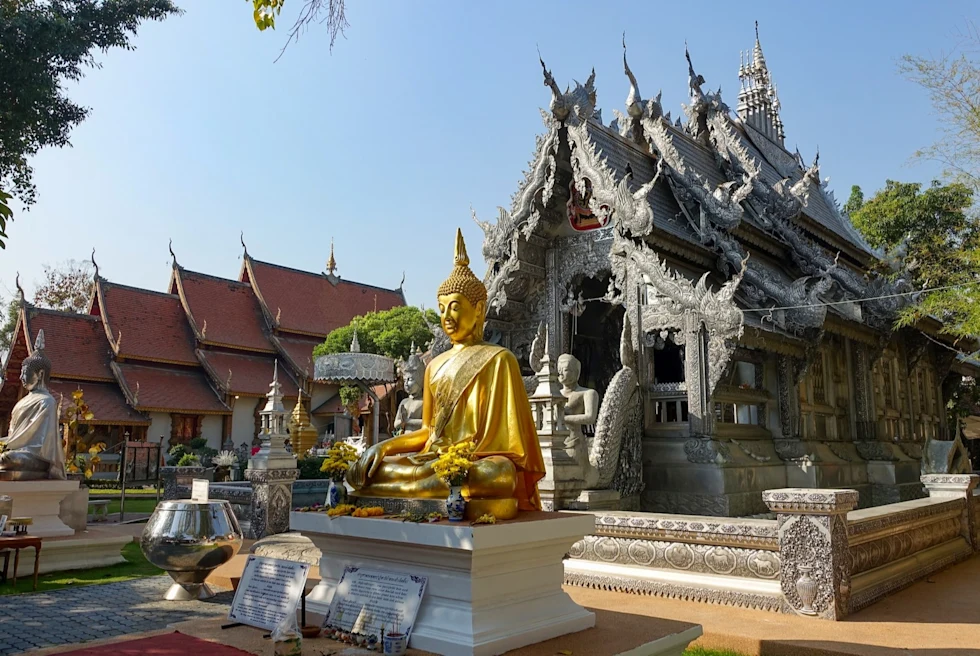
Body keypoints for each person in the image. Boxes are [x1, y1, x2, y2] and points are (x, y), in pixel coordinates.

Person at [346, 229, 546, 519]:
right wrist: (383, 447)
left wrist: (459, 463)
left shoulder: (500, 360)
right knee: (369, 470)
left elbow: (509, 447)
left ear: (478, 310)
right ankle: (423, 486)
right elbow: (429, 432)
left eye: (455, 307)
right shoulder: (434, 366)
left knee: (498, 476)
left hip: (476, 462)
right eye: (442, 309)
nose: (447, 318)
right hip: (433, 461)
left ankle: (425, 486)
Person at [0, 331, 67, 480]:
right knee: (7, 456)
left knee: (10, 458)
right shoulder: (21, 403)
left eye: (24, 373)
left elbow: (41, 446)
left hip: (34, 457)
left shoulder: (47, 402)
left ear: (40, 374)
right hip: (15, 450)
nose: (20, 377)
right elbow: (13, 437)